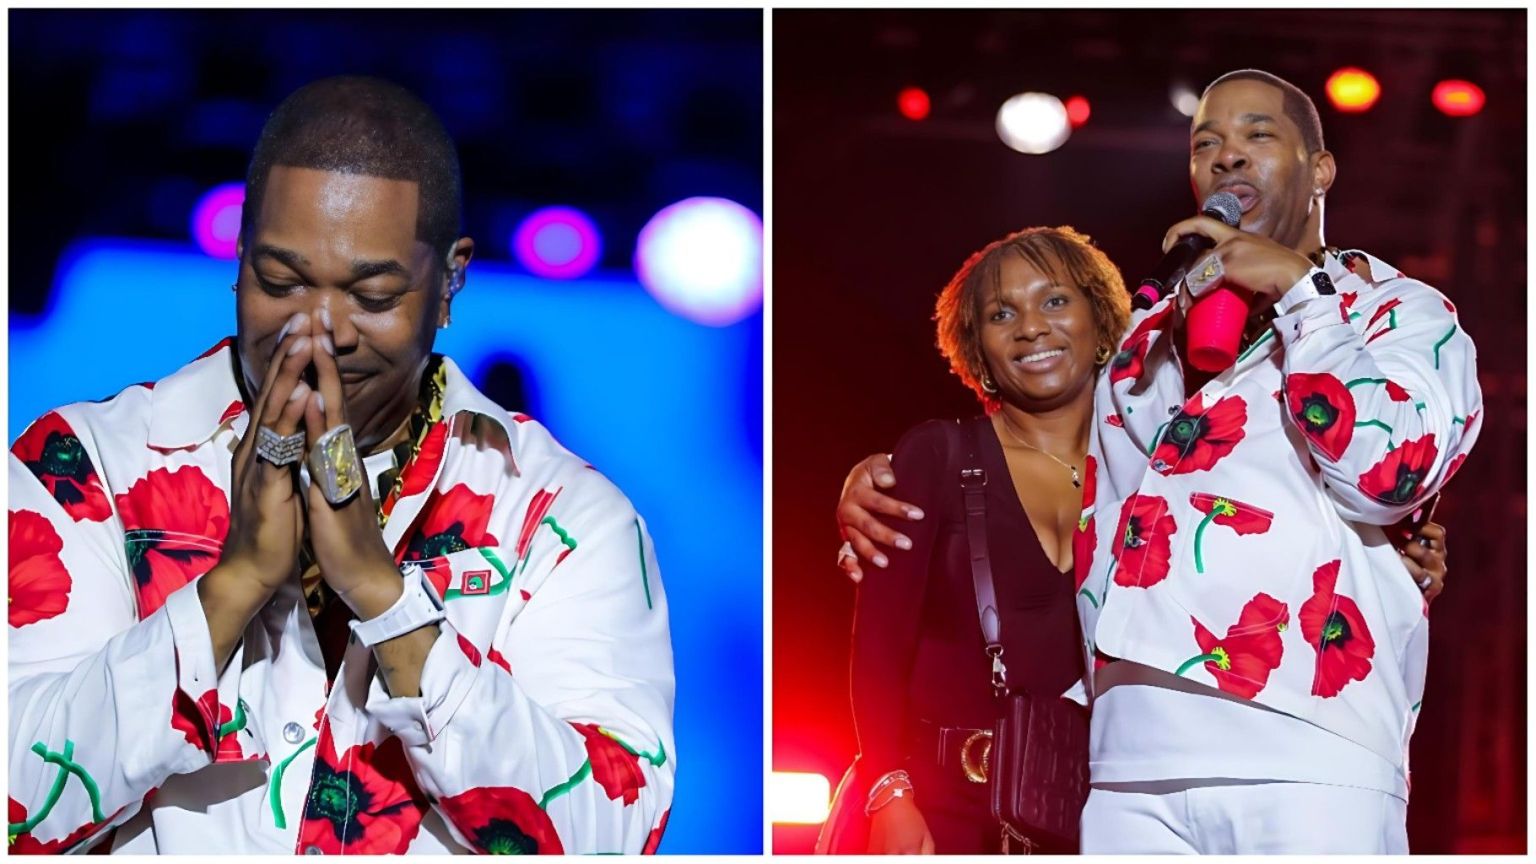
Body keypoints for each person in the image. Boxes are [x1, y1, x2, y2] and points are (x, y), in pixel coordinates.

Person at [9, 76, 674, 855]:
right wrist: (230, 589)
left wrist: (384, 598)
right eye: (280, 282)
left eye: (373, 294)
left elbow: (611, 836)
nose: (319, 331)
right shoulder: (83, 469)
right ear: (238, 252)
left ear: (451, 281)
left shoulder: (564, 519)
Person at [833, 68, 1476, 854]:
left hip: (1307, 747)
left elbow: (1388, 478)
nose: (1228, 159)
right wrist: (869, 480)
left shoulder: (1395, 313)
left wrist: (1299, 294)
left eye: (1257, 137)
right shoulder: (1148, 341)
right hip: (1125, 768)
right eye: (1208, 146)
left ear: (1320, 168)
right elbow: (1091, 488)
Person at [840, 226, 1128, 855]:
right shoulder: (938, 455)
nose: (1030, 327)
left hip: (1088, 812)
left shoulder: (1150, 470)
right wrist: (890, 793)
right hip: (941, 807)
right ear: (977, 350)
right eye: (1002, 313)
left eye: (1054, 302)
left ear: (1101, 322)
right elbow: (880, 648)